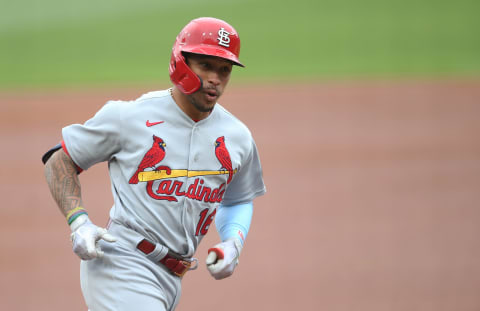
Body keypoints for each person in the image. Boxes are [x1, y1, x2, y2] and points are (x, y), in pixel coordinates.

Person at [42, 17, 266, 311]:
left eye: (224, 70)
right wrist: (79, 221)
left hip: (171, 279)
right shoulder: (130, 117)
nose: (216, 79)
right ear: (181, 62)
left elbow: (237, 200)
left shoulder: (237, 137)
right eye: (205, 65)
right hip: (122, 264)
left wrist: (233, 242)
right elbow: (59, 160)